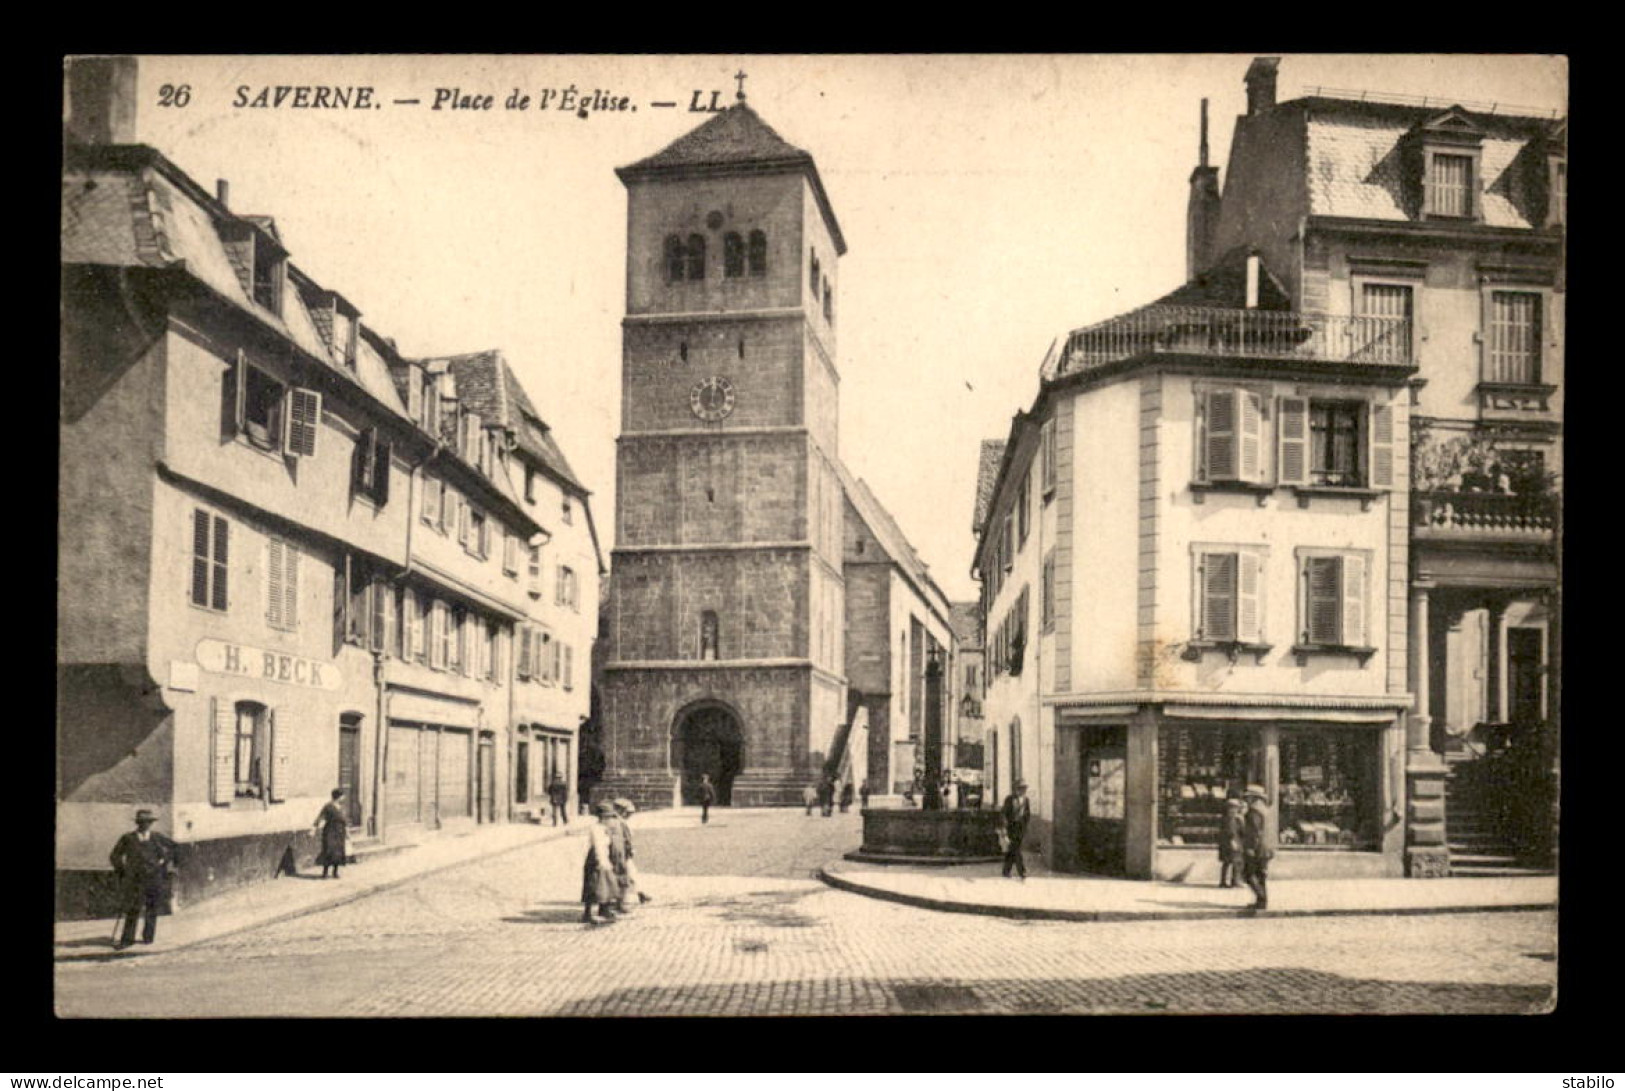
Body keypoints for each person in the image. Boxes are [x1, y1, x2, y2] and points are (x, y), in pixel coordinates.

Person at [109, 809, 176, 949]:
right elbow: (115, 856)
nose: (146, 825)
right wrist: (123, 871)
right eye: (143, 822)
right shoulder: (128, 838)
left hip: (153, 879)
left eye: (148, 822)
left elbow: (174, 848)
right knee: (133, 908)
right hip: (135, 880)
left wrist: (163, 863)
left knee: (152, 908)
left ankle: (148, 937)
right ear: (138, 823)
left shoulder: (156, 837)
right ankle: (128, 939)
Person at [581, 801, 623, 925]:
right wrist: (602, 861)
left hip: (603, 858)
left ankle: (603, 909)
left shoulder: (605, 828)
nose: (610, 820)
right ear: (602, 817)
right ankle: (587, 913)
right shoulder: (597, 829)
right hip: (596, 859)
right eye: (608, 817)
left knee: (606, 885)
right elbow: (598, 846)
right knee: (593, 886)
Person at [613, 799, 653, 907]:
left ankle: (640, 894)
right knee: (627, 874)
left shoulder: (621, 822)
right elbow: (625, 839)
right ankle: (620, 900)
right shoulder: (619, 822)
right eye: (627, 813)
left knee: (631, 874)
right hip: (621, 853)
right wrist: (629, 850)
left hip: (623, 852)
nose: (629, 815)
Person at [1241, 784, 1273, 910]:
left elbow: (1254, 831)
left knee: (1248, 874)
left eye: (1248, 797)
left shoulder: (1253, 812)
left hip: (1257, 848)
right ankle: (1262, 902)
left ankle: (1261, 897)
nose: (1246, 800)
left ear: (1254, 798)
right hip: (1266, 847)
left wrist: (1250, 848)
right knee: (1260, 875)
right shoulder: (1265, 810)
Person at [313, 788, 348, 879]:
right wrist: (315, 827)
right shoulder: (328, 806)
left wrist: (347, 833)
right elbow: (321, 816)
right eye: (342, 796)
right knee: (329, 850)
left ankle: (335, 872)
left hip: (340, 832)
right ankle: (325, 872)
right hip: (330, 831)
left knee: (338, 852)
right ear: (338, 796)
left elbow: (344, 821)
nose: (344, 798)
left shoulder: (341, 807)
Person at [1000, 781, 1032, 879]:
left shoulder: (1026, 800)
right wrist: (1004, 826)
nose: (1022, 791)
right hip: (1011, 827)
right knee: (1016, 849)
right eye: (1020, 788)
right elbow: (1004, 813)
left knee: (1012, 849)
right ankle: (1022, 871)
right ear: (1016, 789)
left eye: (1024, 789)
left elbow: (1027, 814)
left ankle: (1006, 870)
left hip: (1020, 828)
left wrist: (1025, 825)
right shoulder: (1009, 799)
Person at [1218, 793, 1246, 889]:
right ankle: (1233, 881)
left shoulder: (1234, 818)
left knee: (1230, 862)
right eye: (1232, 808)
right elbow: (1230, 831)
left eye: (1235, 808)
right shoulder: (1229, 819)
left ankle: (1227, 881)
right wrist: (1232, 841)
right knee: (1234, 862)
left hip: (1232, 842)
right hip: (1231, 842)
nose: (1234, 810)